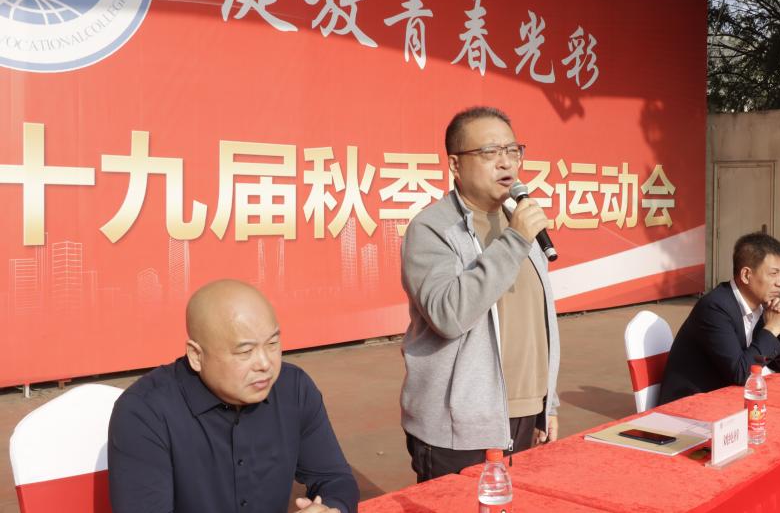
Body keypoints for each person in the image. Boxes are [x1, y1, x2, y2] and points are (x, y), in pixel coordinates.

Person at [399, 106, 560, 482]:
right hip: (460, 429)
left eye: (512, 150)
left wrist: (547, 402)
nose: (506, 162)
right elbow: (448, 315)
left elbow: (538, 321)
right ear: (455, 165)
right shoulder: (432, 229)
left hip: (525, 413)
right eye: (489, 152)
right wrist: (515, 240)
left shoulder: (520, 221)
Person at [108, 280, 358, 513]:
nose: (265, 364)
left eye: (272, 344)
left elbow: (335, 479)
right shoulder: (145, 413)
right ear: (196, 356)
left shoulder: (294, 389)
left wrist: (331, 508)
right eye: (245, 352)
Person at [657, 232, 780, 404]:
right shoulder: (715, 308)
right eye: (773, 274)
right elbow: (741, 373)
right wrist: (772, 328)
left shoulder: (763, 306)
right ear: (746, 275)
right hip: (691, 404)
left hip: (729, 398)